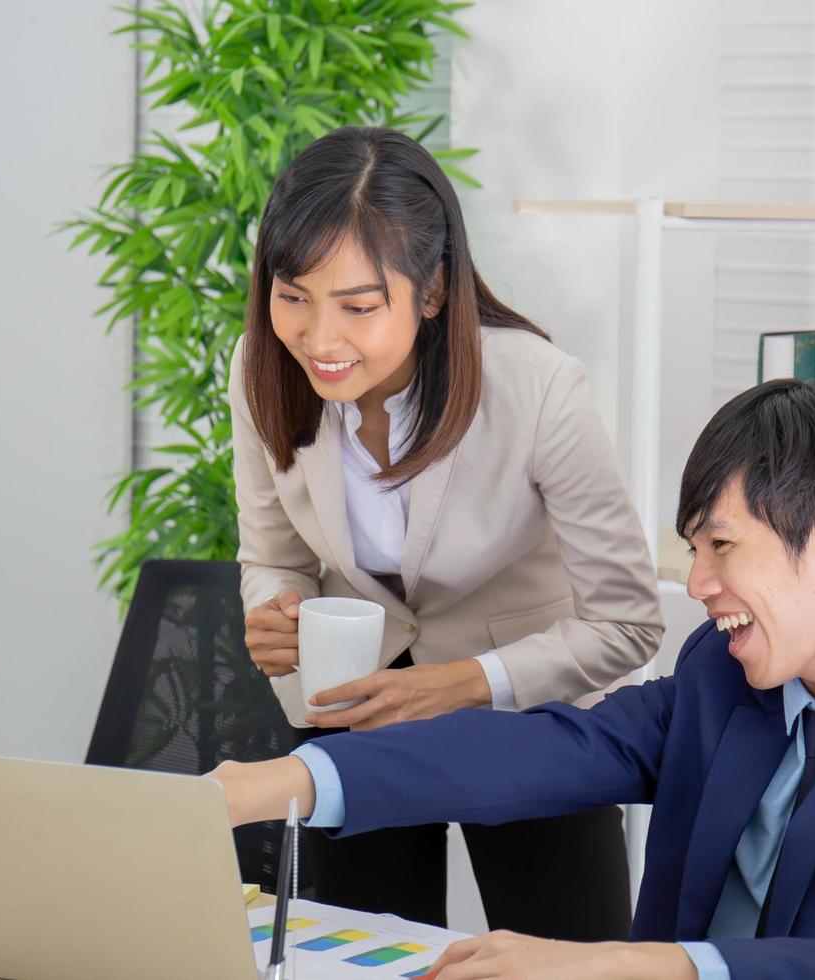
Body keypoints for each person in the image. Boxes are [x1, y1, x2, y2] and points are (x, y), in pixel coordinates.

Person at [213, 379, 815, 979]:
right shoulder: (724, 680)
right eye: (693, 550)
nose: (699, 585)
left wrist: (622, 965)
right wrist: (280, 783)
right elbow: (544, 751)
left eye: (721, 547)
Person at [229, 125, 663, 939]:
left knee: (569, 960)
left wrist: (463, 682)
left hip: (530, 721)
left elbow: (628, 621)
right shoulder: (260, 368)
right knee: (359, 956)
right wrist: (275, 607)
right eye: (293, 298)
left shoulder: (538, 390)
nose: (319, 340)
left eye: (358, 305)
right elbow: (273, 553)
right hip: (354, 716)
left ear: (430, 290)